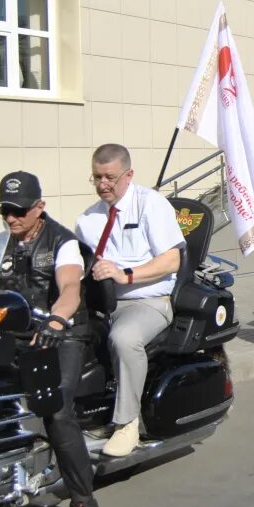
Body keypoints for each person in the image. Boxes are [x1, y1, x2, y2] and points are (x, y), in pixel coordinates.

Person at [0, 171, 102, 507]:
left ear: (39, 207)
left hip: (63, 334)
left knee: (56, 410)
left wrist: (57, 319)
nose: (11, 218)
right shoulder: (0, 243)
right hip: (18, 335)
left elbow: (70, 287)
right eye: (5, 209)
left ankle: (84, 506)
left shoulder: (63, 243)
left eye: (19, 210)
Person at [75, 144, 185, 457]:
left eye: (109, 177)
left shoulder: (151, 204)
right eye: (96, 177)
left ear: (129, 174)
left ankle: (127, 424)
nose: (102, 184)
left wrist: (127, 274)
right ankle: (83, 413)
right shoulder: (88, 219)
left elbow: (172, 260)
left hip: (147, 301)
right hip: (101, 304)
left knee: (124, 339)